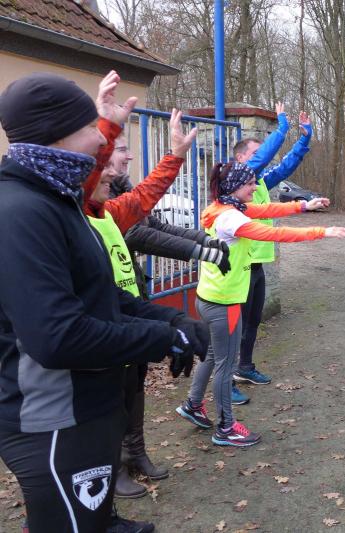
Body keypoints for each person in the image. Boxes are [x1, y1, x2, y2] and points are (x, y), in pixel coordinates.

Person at [0, 72, 206, 533]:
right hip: (53, 420)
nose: (101, 139)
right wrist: (162, 338)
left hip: (86, 406)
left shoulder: (59, 200)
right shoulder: (21, 212)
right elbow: (58, 337)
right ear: (57, 135)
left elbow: (100, 293)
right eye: (90, 128)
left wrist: (173, 320)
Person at [176, 161, 345, 447]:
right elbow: (273, 233)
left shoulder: (224, 208)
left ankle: (193, 405)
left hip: (208, 296)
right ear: (235, 186)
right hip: (225, 303)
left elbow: (267, 210)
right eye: (249, 184)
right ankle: (226, 428)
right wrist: (321, 231)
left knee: (213, 355)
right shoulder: (231, 219)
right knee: (225, 365)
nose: (255, 187)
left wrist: (304, 206)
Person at [86, 108, 211, 500]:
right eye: (118, 149)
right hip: (106, 321)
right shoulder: (77, 213)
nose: (126, 157)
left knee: (134, 388)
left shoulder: (109, 206)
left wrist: (175, 156)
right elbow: (144, 232)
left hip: (130, 305)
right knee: (111, 399)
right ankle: (114, 467)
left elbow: (144, 206)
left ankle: (135, 452)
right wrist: (199, 249)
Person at [229, 104, 313, 405]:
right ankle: (225, 380)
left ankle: (245, 367)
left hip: (257, 263)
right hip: (239, 265)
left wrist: (304, 138)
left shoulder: (259, 182)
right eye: (255, 153)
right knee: (233, 327)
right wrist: (282, 127)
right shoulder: (235, 180)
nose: (261, 157)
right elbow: (266, 156)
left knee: (253, 321)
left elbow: (286, 166)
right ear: (241, 159)